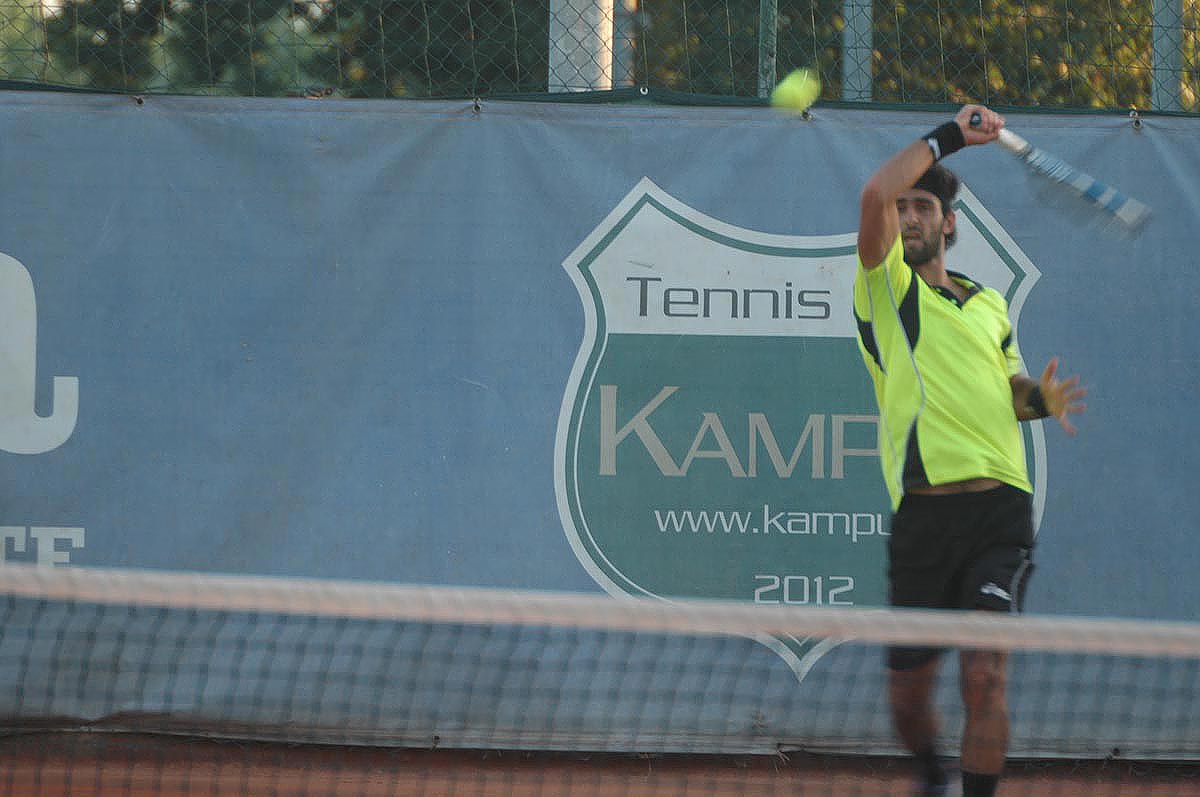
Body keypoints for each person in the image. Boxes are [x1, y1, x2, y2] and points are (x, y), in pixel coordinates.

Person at [852, 104, 1087, 797]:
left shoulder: (989, 305)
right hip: (923, 518)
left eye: (922, 207)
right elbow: (873, 193)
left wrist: (1039, 400)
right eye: (903, 209)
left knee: (985, 677)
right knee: (907, 701)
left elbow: (1013, 392)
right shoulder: (885, 288)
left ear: (948, 224)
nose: (908, 216)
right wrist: (953, 136)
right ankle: (932, 774)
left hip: (999, 512)